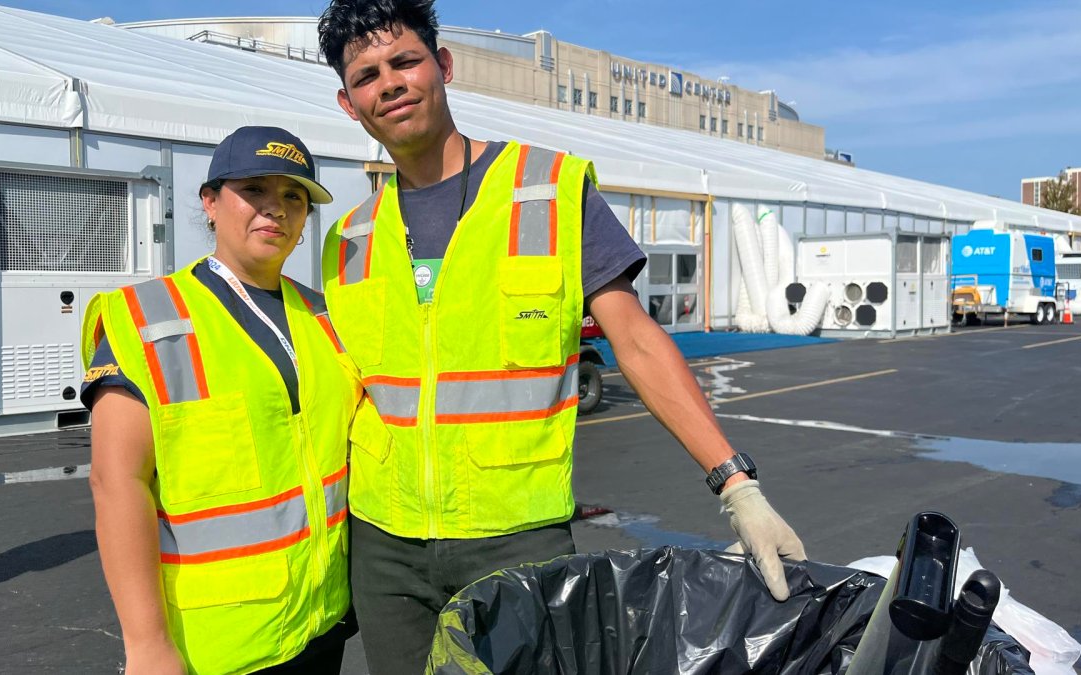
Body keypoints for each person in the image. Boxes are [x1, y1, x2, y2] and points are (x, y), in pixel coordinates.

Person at [317, 1, 807, 672]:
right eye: (367, 75)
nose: (390, 83)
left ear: (444, 66)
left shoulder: (547, 189)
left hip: (515, 541)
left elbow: (633, 338)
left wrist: (735, 485)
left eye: (405, 60)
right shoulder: (349, 237)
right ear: (350, 104)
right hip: (385, 551)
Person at [80, 126, 358, 675]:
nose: (275, 209)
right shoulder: (150, 320)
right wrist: (147, 644)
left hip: (321, 622)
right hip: (214, 647)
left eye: (293, 196)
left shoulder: (328, 317)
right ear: (210, 202)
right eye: (254, 189)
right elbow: (117, 483)